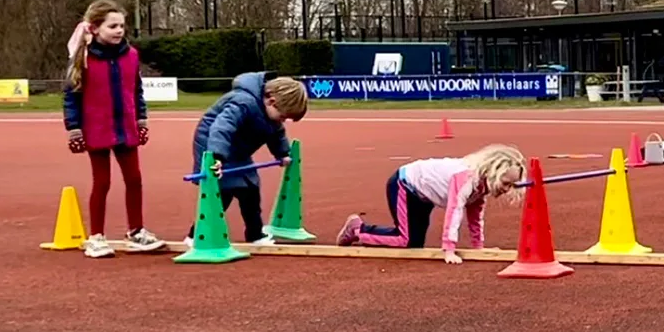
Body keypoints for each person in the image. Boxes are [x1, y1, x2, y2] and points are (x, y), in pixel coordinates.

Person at [62, 0, 165, 258]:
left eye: (121, 26)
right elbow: (71, 95)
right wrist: (74, 129)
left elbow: (137, 89)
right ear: (95, 29)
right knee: (103, 182)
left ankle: (136, 231)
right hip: (96, 129)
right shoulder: (82, 58)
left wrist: (141, 120)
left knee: (134, 179)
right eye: (112, 26)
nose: (119, 30)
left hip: (126, 127)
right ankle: (96, 236)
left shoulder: (131, 56)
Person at [337, 144, 525, 263]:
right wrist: (449, 249)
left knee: (415, 243)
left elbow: (475, 217)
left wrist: (479, 248)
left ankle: (362, 231)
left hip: (425, 196)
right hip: (404, 184)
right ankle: (357, 230)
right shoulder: (466, 178)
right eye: (506, 183)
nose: (507, 189)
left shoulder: (482, 186)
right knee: (405, 241)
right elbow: (455, 210)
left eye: (511, 185)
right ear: (493, 174)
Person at [186, 73, 309, 246]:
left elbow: (276, 134)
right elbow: (222, 127)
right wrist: (217, 157)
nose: (283, 121)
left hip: (238, 150)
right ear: (271, 101)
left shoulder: (271, 116)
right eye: (283, 116)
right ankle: (195, 235)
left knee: (250, 189)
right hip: (212, 144)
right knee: (223, 191)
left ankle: (255, 234)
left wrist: (282, 154)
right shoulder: (243, 102)